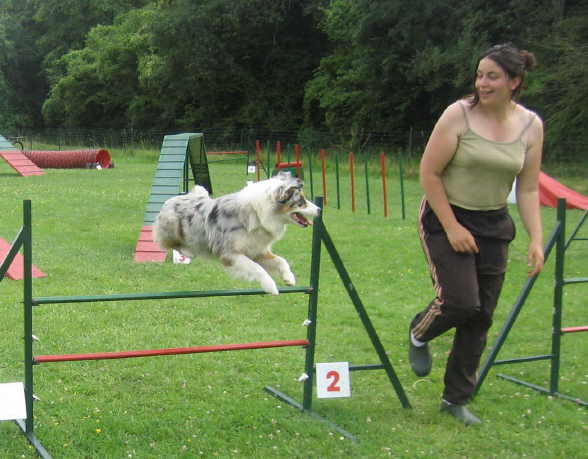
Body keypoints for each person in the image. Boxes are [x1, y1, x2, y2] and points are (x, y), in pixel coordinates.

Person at [408, 43, 545, 425]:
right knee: (460, 302)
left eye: (492, 76)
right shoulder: (459, 115)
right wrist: (452, 227)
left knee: (480, 316)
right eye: (480, 75)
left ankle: (455, 400)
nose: (482, 83)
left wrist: (536, 239)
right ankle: (419, 333)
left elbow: (529, 188)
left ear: (514, 82)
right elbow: (429, 174)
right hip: (444, 214)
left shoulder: (531, 126)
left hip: (493, 224)